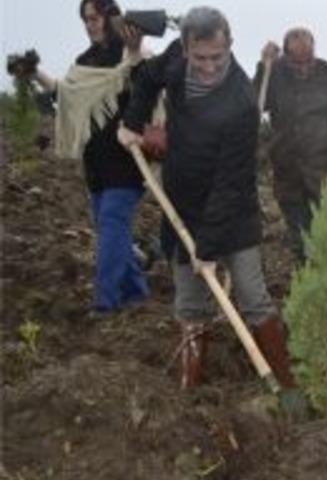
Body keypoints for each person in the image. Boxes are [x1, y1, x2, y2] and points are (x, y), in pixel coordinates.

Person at [117, 6, 292, 390]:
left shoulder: (242, 101)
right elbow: (146, 79)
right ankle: (189, 390)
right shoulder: (175, 61)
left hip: (233, 211)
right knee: (190, 303)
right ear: (185, 48)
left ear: (229, 46)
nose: (210, 66)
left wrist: (208, 246)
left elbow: (230, 183)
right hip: (182, 204)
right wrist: (133, 123)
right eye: (201, 58)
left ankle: (285, 383)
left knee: (251, 295)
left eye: (218, 56)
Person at [27, 0, 150, 314]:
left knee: (111, 224)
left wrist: (135, 51)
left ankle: (105, 303)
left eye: (95, 17)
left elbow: (146, 82)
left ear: (110, 16)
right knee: (113, 230)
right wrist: (34, 72)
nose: (90, 24)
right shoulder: (85, 61)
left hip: (126, 161)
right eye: (85, 20)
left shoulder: (129, 53)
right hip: (95, 163)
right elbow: (65, 94)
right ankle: (137, 293)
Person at [254, 27, 327, 263]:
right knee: (300, 240)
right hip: (288, 172)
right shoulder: (274, 73)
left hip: (325, 173)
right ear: (285, 56)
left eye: (308, 61)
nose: (303, 68)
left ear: (314, 51)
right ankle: (308, 289)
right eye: (297, 63)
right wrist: (263, 66)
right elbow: (254, 106)